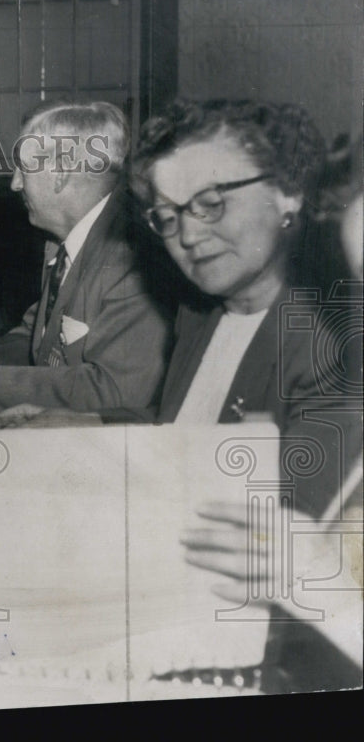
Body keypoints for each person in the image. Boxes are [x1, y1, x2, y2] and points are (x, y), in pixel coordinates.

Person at [131, 99, 362, 692]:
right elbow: (188, 441)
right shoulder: (202, 314)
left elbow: (282, 530)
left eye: (211, 202)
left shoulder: (333, 336)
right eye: (166, 216)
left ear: (288, 194)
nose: (188, 234)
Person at [0, 101, 175, 419]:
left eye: (23, 168)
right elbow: (45, 337)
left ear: (61, 174)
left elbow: (113, 391)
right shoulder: (68, 241)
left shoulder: (133, 260)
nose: (15, 183)